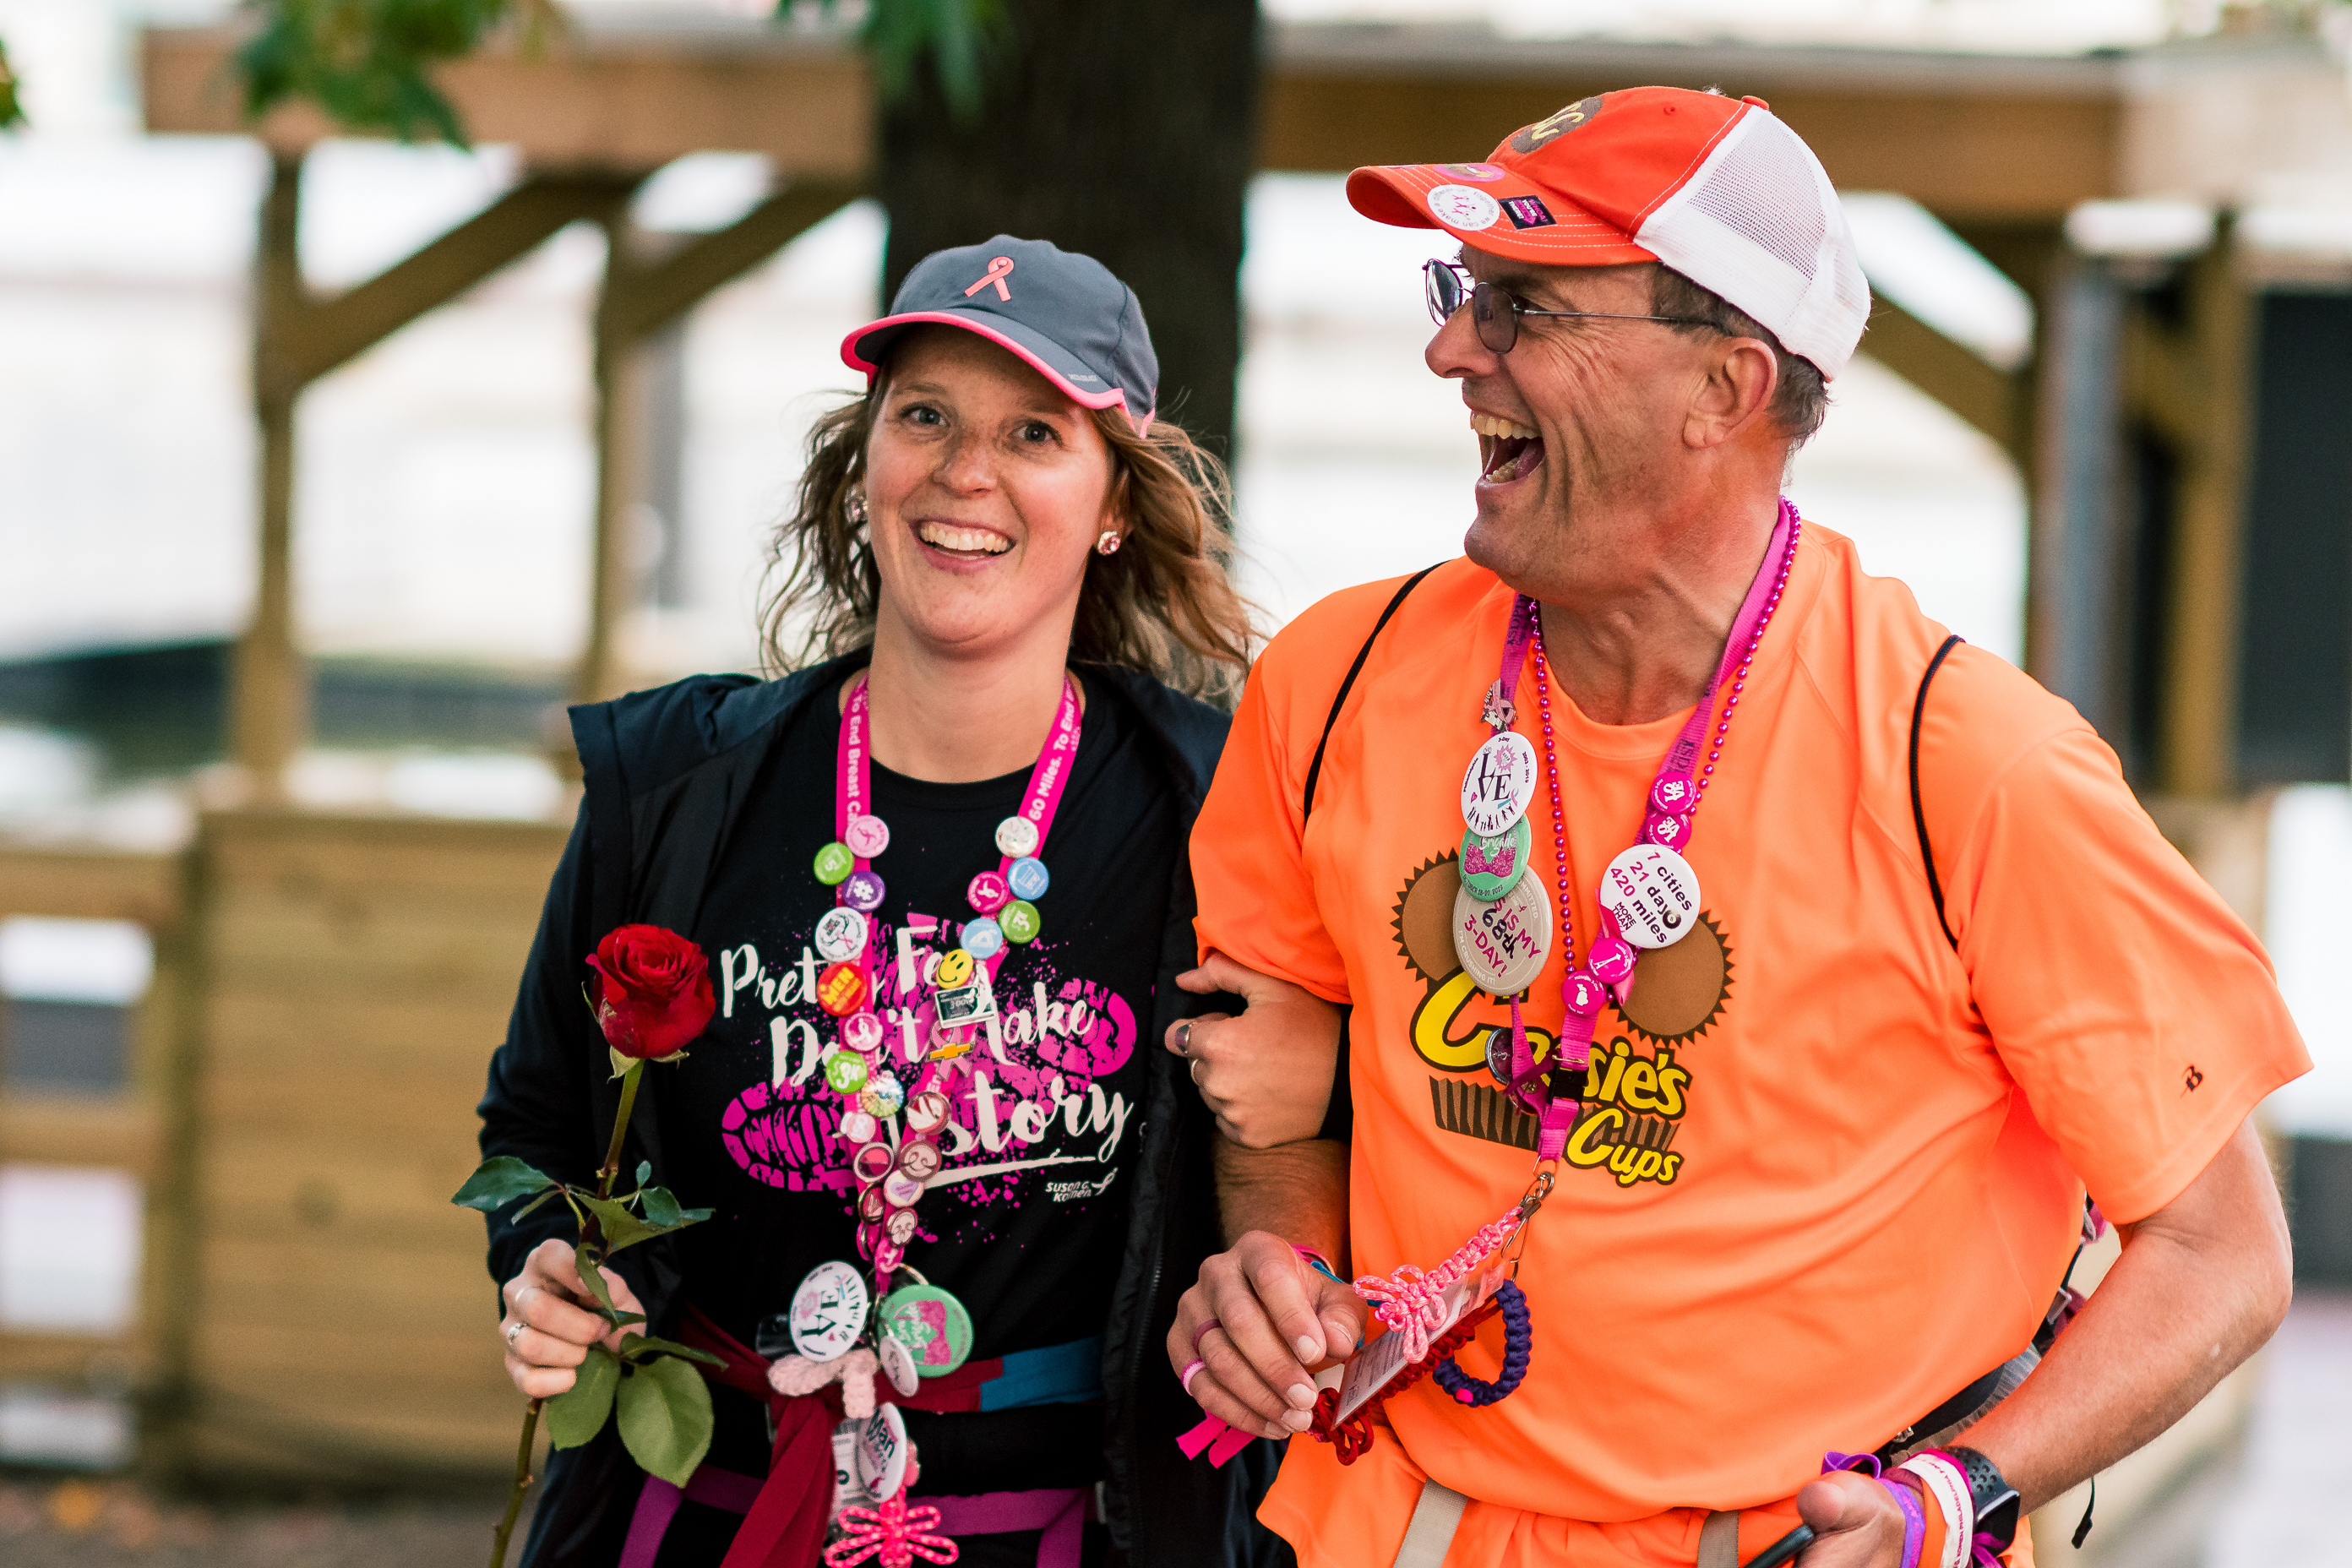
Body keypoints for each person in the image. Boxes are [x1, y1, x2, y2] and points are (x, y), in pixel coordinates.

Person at [1163, 89, 2307, 1568]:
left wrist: (1956, 1494)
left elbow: (2223, 1253)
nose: (1454, 351)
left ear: (1726, 385)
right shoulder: (1332, 679)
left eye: (1524, 308)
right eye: (1464, 292)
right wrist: (1281, 1273)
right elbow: (1282, 1106)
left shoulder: (1973, 763)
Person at [477, 236, 1299, 1568]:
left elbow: (1315, 1150)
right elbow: (540, 1127)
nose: (966, 471)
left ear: (1114, 502)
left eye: (1033, 432)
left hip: (1059, 1536)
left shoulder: (1228, 812)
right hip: (699, 1523)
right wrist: (548, 1271)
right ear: (865, 464)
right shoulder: (677, 789)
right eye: (925, 416)